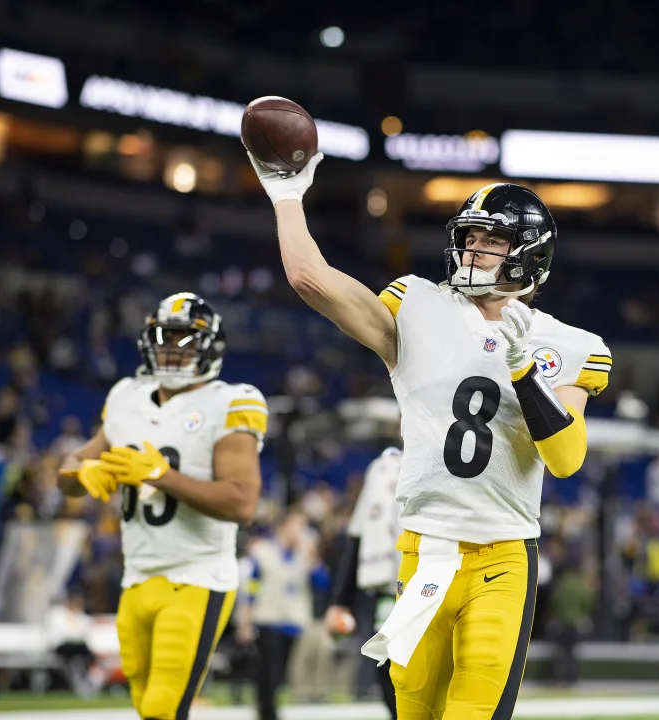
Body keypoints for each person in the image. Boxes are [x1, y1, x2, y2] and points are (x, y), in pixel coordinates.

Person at [248, 152, 611, 720]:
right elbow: (308, 278)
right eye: (469, 238)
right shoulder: (417, 303)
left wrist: (524, 371)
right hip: (422, 555)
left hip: (502, 558)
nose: (472, 251)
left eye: (489, 241)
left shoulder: (567, 344)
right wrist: (286, 194)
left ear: (528, 254)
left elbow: (566, 459)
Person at [57, 292, 267, 720]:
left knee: (163, 708)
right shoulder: (125, 396)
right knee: (143, 704)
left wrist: (160, 476)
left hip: (197, 575)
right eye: (163, 339)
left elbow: (243, 503)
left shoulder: (230, 401)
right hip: (136, 577)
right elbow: (71, 467)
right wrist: (80, 475)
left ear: (211, 347)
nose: (171, 350)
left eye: (185, 340)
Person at [324, 446, 404, 718]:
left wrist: (340, 601)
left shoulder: (426, 459)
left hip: (420, 585)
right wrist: (340, 601)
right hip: (387, 589)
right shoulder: (382, 468)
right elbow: (358, 535)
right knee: (388, 672)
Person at [236, 510, 325, 720]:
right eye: (297, 526)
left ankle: (267, 710)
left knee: (281, 675)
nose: (301, 532)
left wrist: (314, 559)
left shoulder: (305, 555)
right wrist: (245, 621)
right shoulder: (262, 552)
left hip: (294, 623)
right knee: (269, 673)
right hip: (267, 620)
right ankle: (267, 712)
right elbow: (251, 589)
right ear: (283, 527)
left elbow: (322, 584)